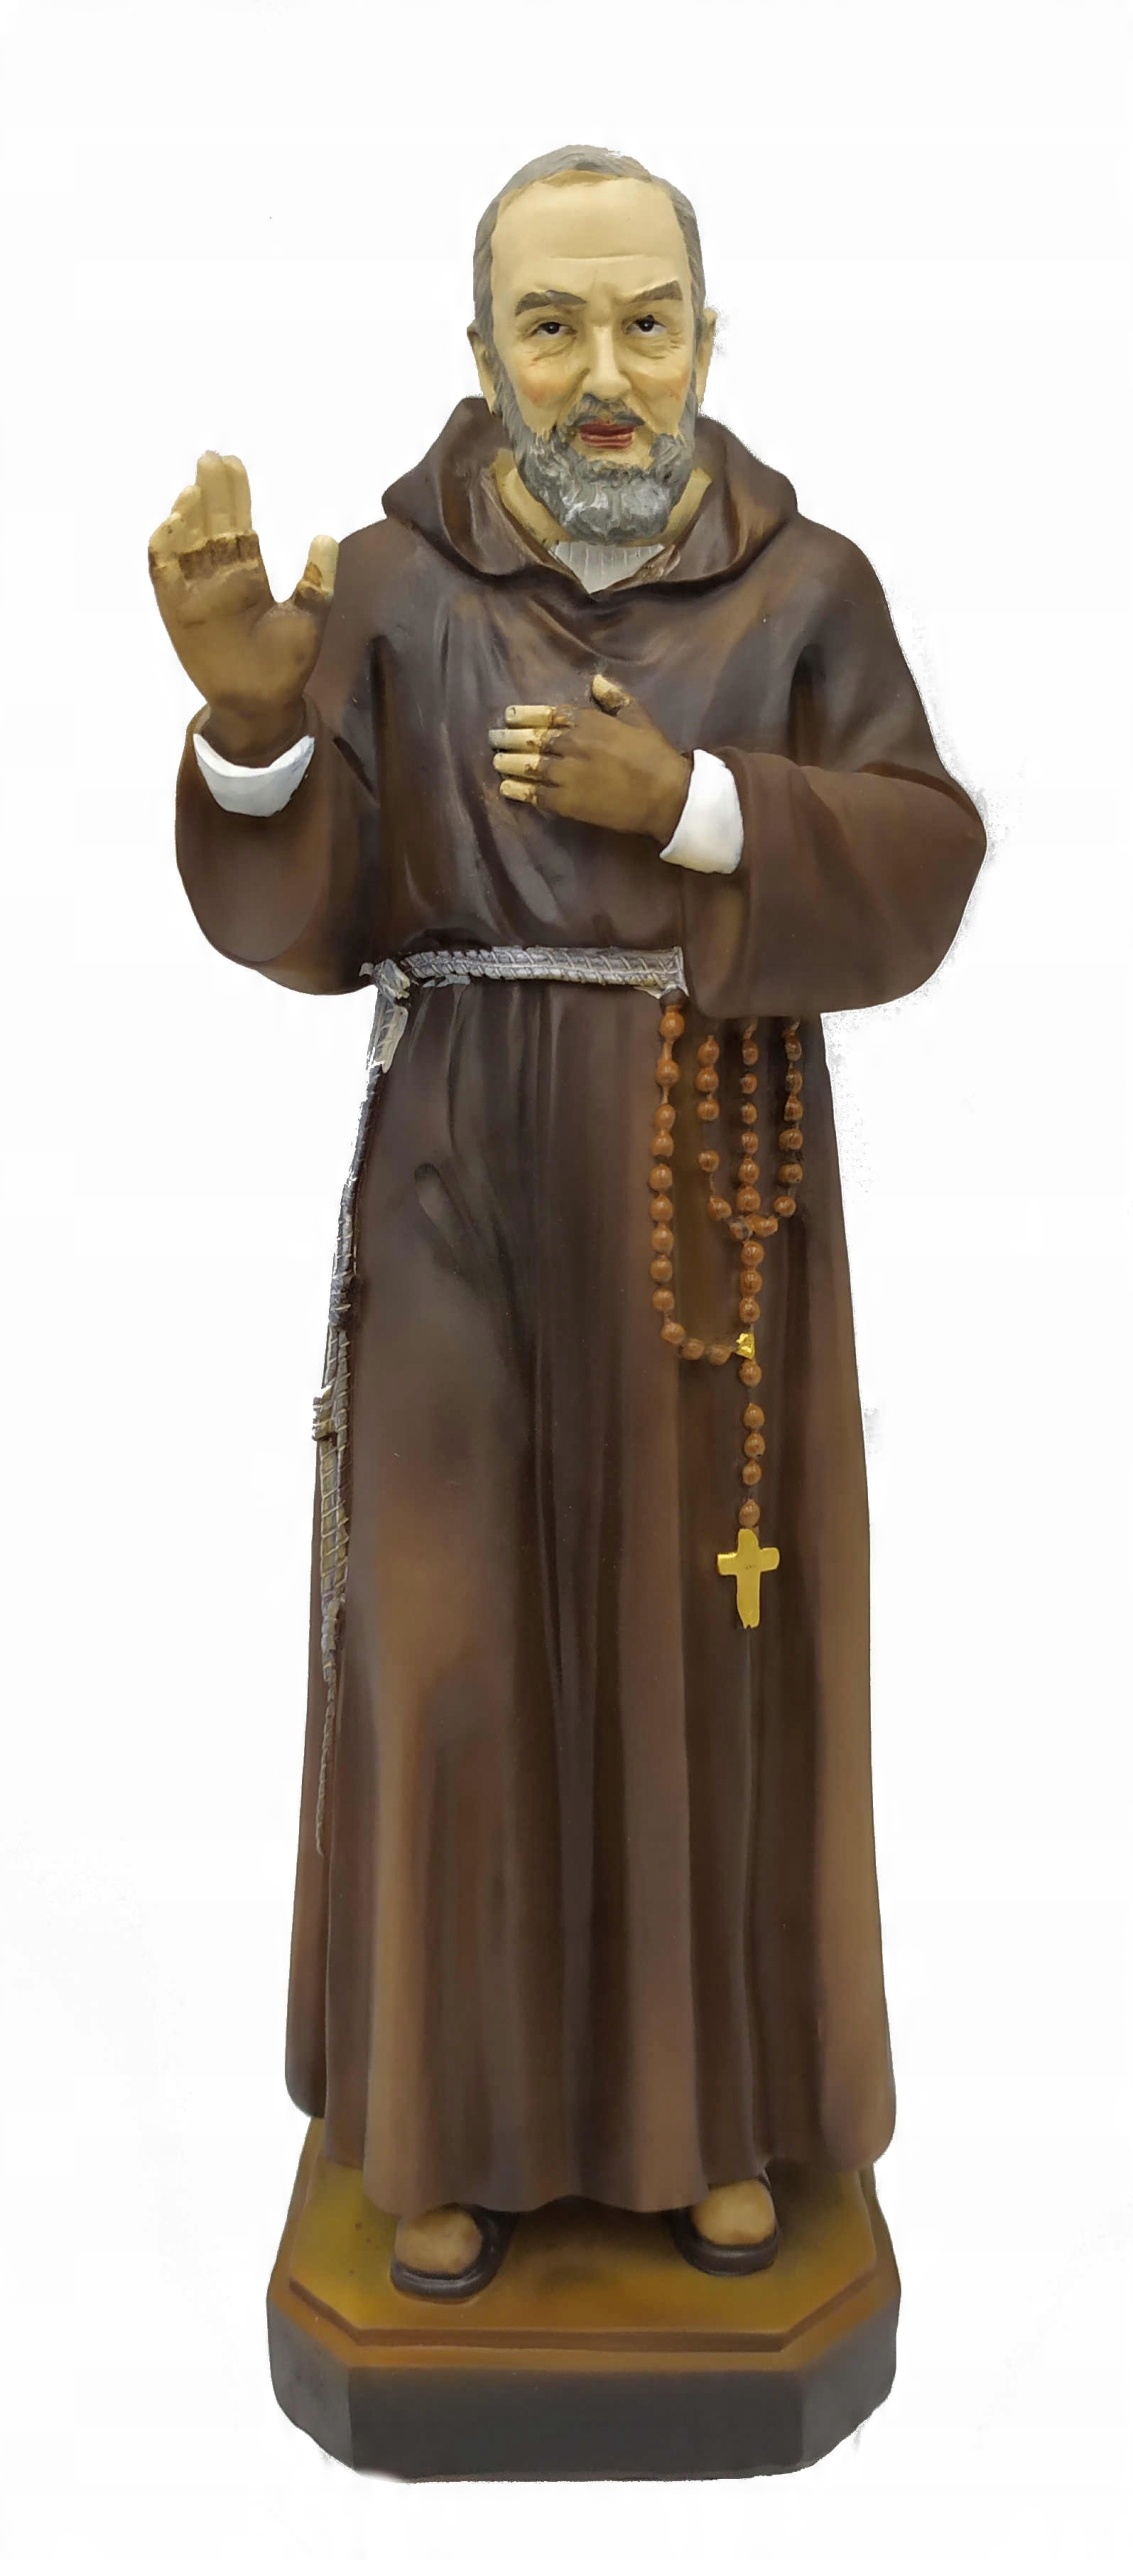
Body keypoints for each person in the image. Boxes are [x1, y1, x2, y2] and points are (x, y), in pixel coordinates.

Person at [150, 145, 985, 2300]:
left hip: (713, 1190)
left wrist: (692, 807)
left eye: (644, 320)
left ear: (706, 338)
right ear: (479, 348)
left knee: (700, 1651)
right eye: (551, 323)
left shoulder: (804, 590)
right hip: (458, 1190)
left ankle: (705, 2126)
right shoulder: (393, 587)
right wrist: (252, 721)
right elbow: (312, 915)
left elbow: (923, 855)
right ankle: (446, 2128)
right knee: (448, 1655)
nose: (603, 373)